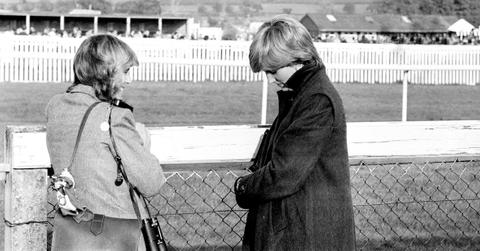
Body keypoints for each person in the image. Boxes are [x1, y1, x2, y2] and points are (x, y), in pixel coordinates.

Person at [234, 15, 356, 250]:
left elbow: (284, 173)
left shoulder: (316, 100)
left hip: (309, 233)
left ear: (297, 60)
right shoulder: (300, 95)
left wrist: (243, 187)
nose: (269, 80)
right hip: (299, 227)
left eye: (273, 71)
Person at [46, 34, 166, 250]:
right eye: (126, 72)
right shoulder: (114, 117)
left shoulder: (56, 106)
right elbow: (151, 183)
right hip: (115, 235)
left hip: (72, 233)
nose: (129, 80)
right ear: (106, 73)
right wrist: (142, 142)